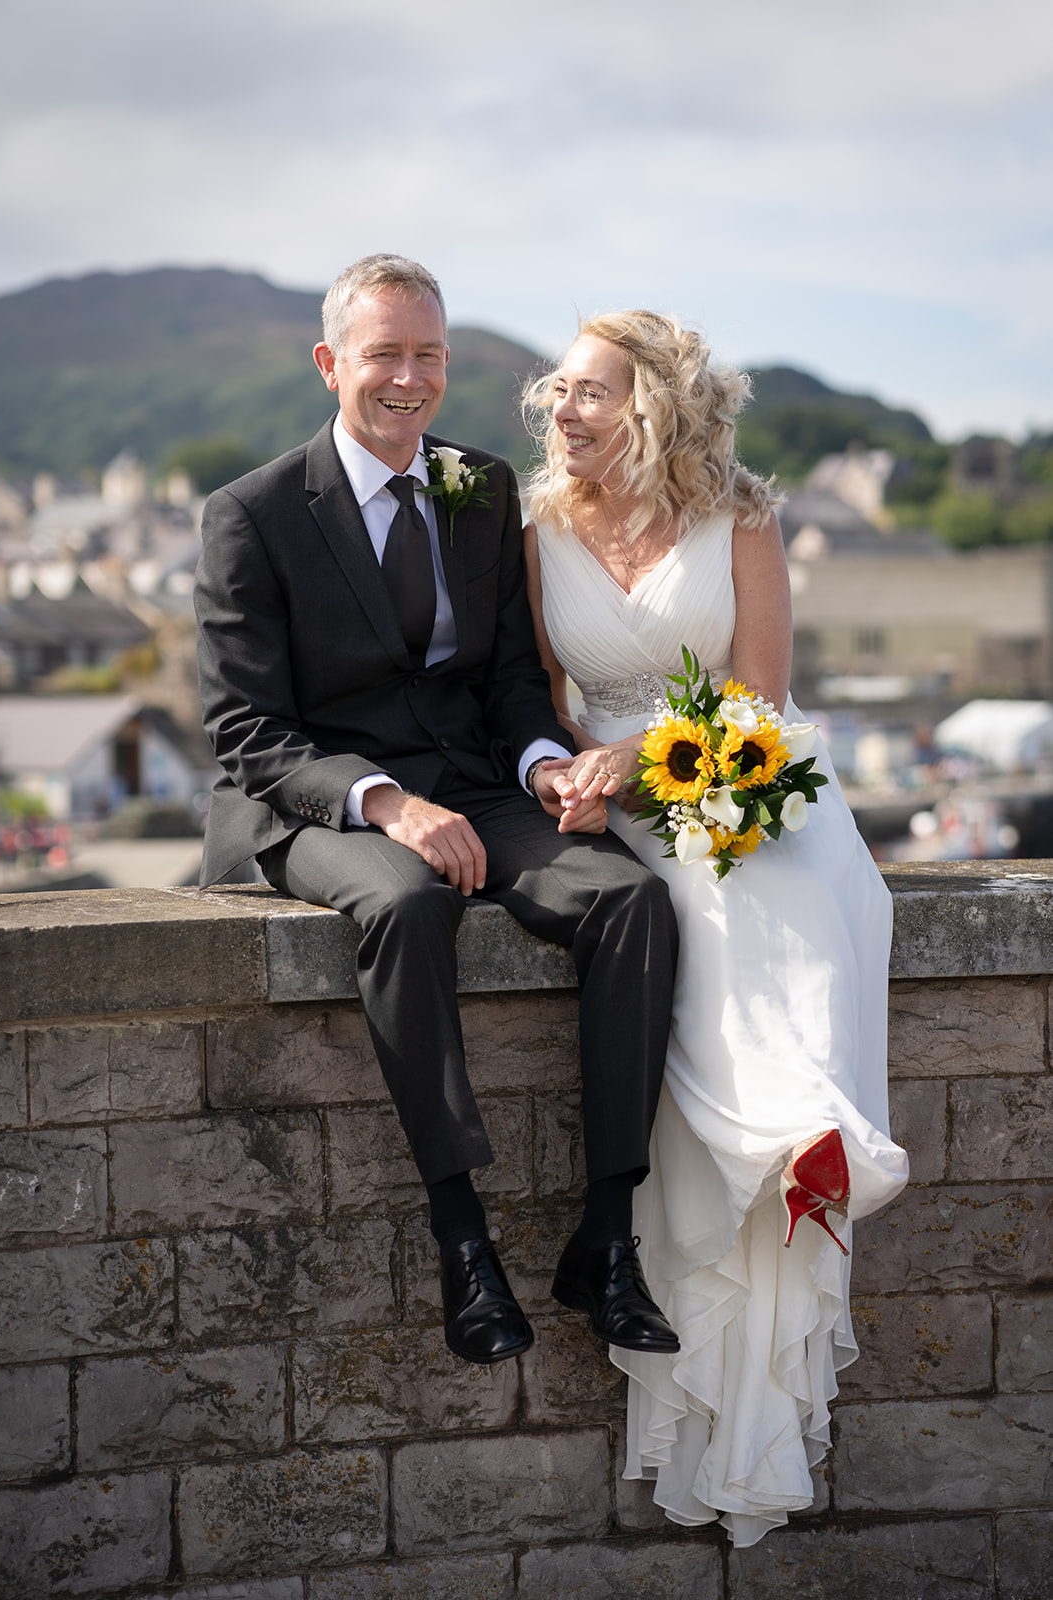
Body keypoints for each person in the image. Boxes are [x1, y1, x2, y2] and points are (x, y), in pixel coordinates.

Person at [193, 255, 682, 1370]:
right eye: (383, 355)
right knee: (406, 902)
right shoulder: (252, 514)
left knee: (628, 902)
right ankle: (461, 1234)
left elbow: (511, 678)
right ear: (331, 365)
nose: (407, 378)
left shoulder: (481, 486)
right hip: (314, 798)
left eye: (427, 355)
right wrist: (386, 804)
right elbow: (246, 732)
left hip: (471, 779)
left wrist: (547, 765)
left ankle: (605, 1236)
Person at [522, 310, 909, 1545]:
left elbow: (759, 692)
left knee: (767, 875)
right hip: (608, 803)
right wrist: (568, 772)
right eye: (554, 393)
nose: (560, 412)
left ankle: (807, 1137)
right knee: (686, 895)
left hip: (725, 759)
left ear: (653, 404)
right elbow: (534, 700)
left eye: (586, 392)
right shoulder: (531, 527)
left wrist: (658, 754)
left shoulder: (738, 513)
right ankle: (785, 1140)